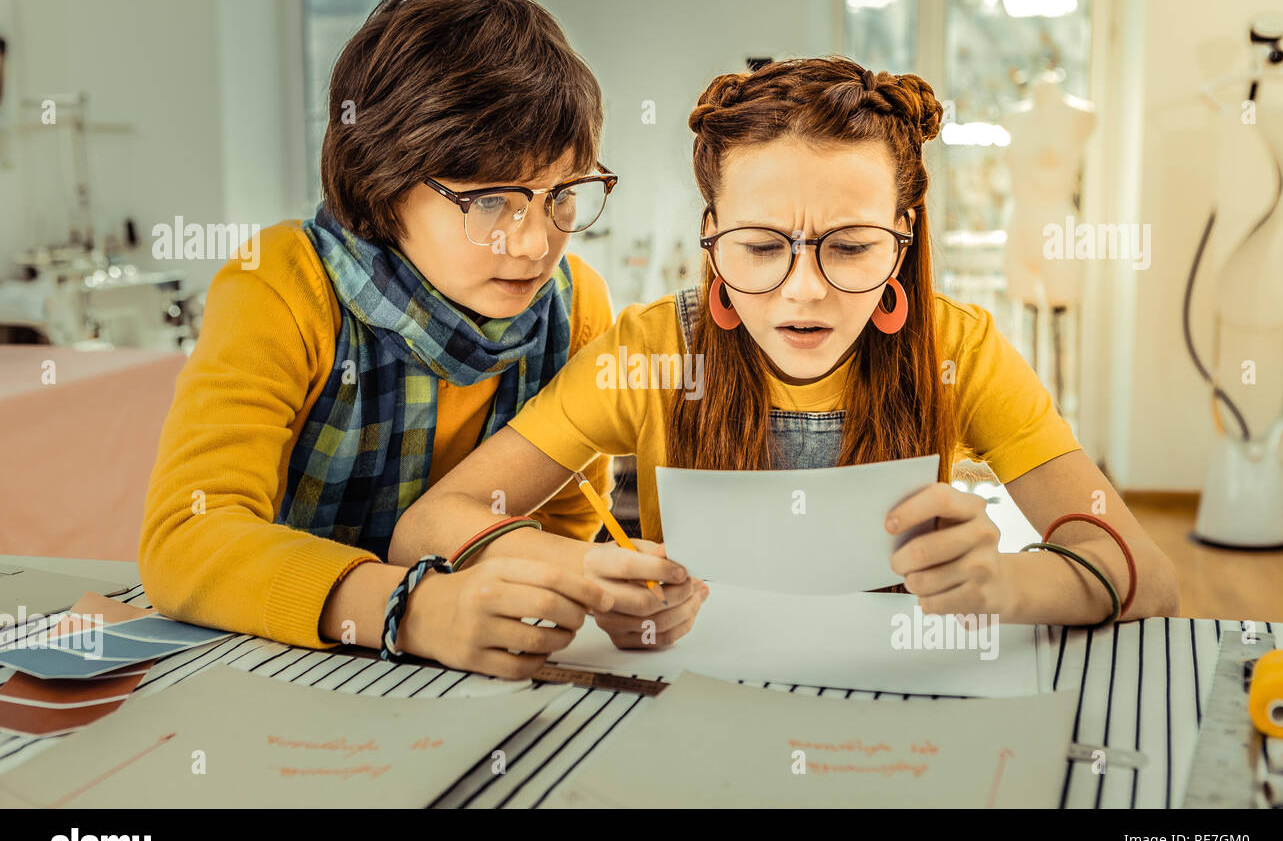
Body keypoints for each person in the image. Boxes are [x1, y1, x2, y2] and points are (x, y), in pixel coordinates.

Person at [392, 57, 1179, 649]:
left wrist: (1009, 581)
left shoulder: (958, 350)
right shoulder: (655, 351)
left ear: (903, 241)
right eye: (763, 247)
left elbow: (1147, 572)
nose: (804, 291)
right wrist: (578, 572)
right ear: (711, 237)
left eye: (853, 246)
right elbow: (430, 524)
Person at [139, 0, 621, 678]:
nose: (533, 244)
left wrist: (594, 583)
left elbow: (563, 527)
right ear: (382, 178)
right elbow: (188, 538)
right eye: (491, 200)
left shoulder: (577, 309)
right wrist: (414, 610)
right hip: (279, 666)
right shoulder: (279, 283)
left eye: (563, 196)